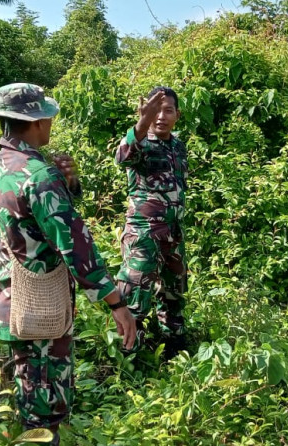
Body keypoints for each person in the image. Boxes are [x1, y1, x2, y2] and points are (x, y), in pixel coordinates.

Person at [0, 83, 136, 443]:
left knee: (27, 388)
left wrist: (69, 184)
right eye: (48, 116)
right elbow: (75, 247)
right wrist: (116, 303)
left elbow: (17, 227)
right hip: (41, 305)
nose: (51, 122)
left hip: (10, 296)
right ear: (35, 121)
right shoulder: (39, 174)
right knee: (46, 408)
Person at [114, 86, 189, 358]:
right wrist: (142, 122)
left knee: (174, 291)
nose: (161, 116)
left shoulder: (178, 146)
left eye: (168, 110)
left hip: (173, 233)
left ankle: (174, 350)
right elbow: (122, 157)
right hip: (144, 234)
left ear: (177, 114)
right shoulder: (140, 142)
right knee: (135, 295)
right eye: (156, 110)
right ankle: (129, 359)